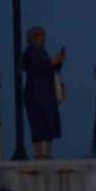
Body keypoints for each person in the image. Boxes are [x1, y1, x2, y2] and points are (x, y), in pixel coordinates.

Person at [22, 27, 64, 159]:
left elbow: (48, 69)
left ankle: (46, 153)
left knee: (47, 123)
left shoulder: (41, 51)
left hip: (46, 92)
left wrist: (57, 63)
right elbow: (36, 68)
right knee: (40, 123)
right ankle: (40, 153)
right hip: (37, 93)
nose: (43, 38)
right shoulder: (30, 52)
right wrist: (51, 63)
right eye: (40, 35)